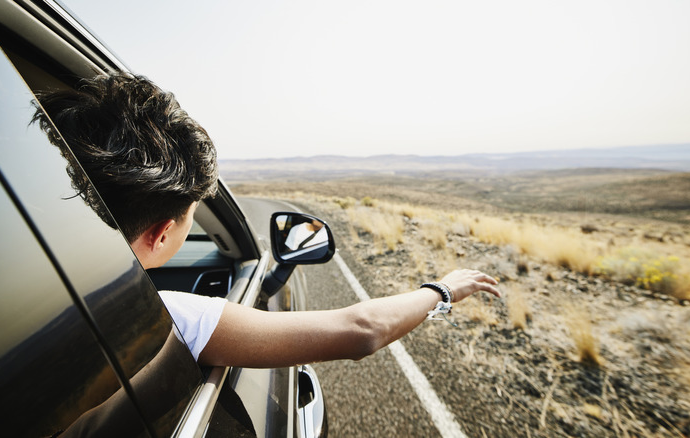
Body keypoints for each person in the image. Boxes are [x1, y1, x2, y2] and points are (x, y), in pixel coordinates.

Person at [34, 72, 500, 369]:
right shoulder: (169, 318)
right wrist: (443, 289)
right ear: (159, 235)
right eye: (191, 220)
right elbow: (362, 330)